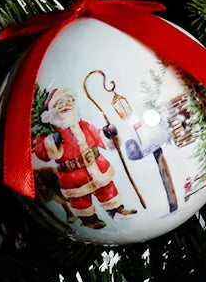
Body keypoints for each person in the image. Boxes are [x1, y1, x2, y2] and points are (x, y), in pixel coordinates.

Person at [33, 88, 137, 230]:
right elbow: (41, 152)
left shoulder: (84, 126)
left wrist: (108, 134)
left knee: (107, 189)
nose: (65, 105)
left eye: (69, 101)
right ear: (52, 111)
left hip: (97, 167)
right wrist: (51, 142)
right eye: (60, 103)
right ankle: (89, 219)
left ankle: (116, 211)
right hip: (72, 175)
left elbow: (99, 137)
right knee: (79, 200)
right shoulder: (52, 134)